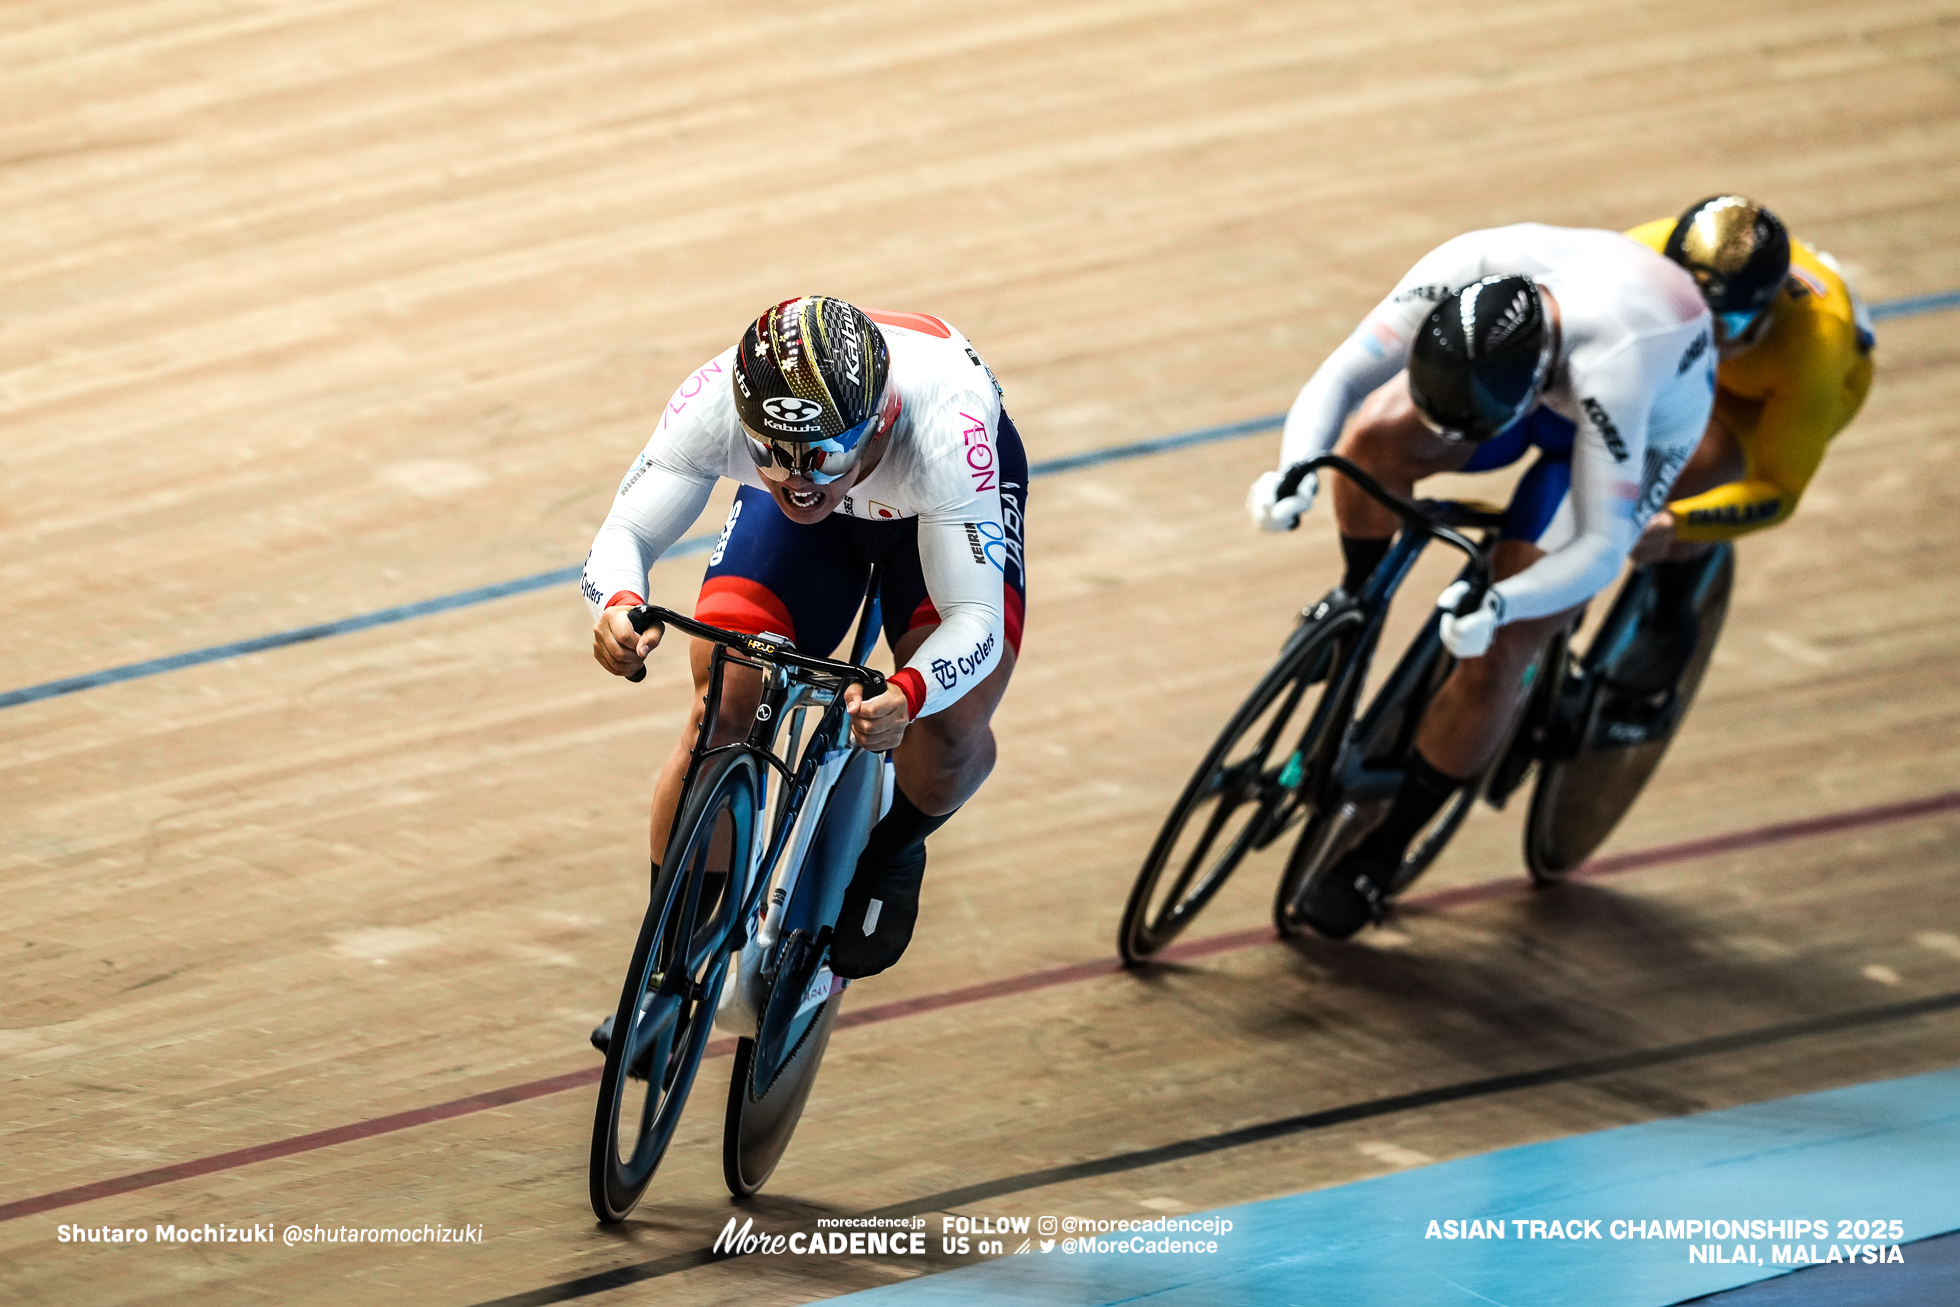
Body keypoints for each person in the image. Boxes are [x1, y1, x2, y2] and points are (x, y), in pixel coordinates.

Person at [1245, 224, 1715, 939]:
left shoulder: (1611, 370)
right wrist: (1293, 471)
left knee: (1500, 649)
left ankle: (1382, 850)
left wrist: (1503, 601)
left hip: (1640, 429)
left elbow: (1596, 547)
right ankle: (1356, 599)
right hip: (1522, 387)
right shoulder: (1464, 268)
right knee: (1371, 440)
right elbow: (1341, 376)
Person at [581, 295, 1026, 989]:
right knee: (722, 705)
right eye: (770, 454)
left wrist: (909, 692)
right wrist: (616, 606)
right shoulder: (720, 398)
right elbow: (626, 532)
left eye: (818, 456)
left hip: (938, 509)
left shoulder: (947, 431)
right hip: (823, 527)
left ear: (880, 424)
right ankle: (668, 964)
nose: (795, 479)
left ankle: (894, 851)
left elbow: (976, 623)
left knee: (950, 729)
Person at [1623, 197, 1874, 646]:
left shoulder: (1814, 347)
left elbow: (1777, 490)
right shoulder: (1639, 250)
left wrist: (1678, 524)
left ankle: (1669, 616)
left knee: (1690, 476)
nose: (1700, 334)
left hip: (1766, 398)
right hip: (1731, 364)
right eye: (1680, 306)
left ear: (1765, 312)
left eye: (1720, 324)